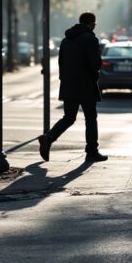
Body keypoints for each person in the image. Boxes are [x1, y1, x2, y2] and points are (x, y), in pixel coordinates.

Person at [37, 12, 108, 163]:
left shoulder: (65, 40)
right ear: (91, 24)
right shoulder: (90, 39)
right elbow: (94, 64)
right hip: (86, 85)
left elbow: (61, 63)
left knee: (69, 117)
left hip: (68, 85)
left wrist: (65, 79)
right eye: (94, 24)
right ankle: (92, 151)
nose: (95, 26)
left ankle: (49, 138)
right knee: (90, 118)